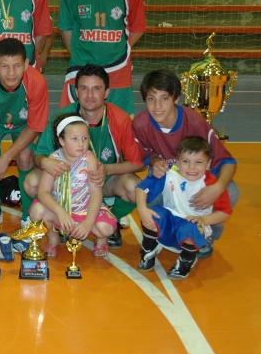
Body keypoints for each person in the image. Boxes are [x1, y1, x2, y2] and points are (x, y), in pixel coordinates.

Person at [25, 64, 143, 247]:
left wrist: (106, 169)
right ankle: (60, 221)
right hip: (68, 183)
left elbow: (137, 162)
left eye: (96, 89)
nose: (90, 95)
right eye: (84, 88)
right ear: (76, 91)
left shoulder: (120, 119)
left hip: (104, 181)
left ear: (107, 92)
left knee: (135, 188)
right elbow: (39, 155)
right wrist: (46, 162)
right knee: (32, 182)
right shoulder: (63, 117)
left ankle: (112, 218)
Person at [132, 69, 238, 257]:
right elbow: (144, 154)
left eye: (164, 98)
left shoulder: (194, 122)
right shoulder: (141, 124)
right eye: (151, 99)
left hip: (197, 181)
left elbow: (228, 161)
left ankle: (205, 237)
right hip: (168, 179)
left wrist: (218, 186)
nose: (157, 106)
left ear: (176, 99)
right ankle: (163, 232)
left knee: (231, 192)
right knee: (144, 194)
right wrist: (155, 161)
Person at [59, 0, 146, 114]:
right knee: (73, 127)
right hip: (81, 70)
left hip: (118, 71)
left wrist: (119, 49)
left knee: (120, 127)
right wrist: (80, 54)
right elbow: (66, 28)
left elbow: (138, 27)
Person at [0, 39, 48, 226]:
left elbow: (35, 126)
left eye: (17, 66)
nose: (11, 73)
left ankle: (28, 215)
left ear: (26, 65)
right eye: (5, 66)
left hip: (23, 124)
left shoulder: (36, 82)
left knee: (25, 155)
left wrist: (6, 157)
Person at [136, 137, 232, 279]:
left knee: (189, 227)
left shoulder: (212, 184)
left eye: (198, 162)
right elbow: (142, 188)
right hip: (170, 221)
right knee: (153, 214)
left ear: (208, 164)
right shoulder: (169, 175)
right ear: (177, 161)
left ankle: (186, 260)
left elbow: (225, 213)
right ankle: (148, 251)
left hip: (193, 226)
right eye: (185, 161)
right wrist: (142, 209)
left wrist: (203, 219)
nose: (191, 168)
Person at [29, 114, 117, 258]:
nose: (81, 144)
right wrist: (60, 212)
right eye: (75, 139)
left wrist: (88, 223)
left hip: (84, 210)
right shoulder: (54, 160)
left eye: (85, 138)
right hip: (61, 212)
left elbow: (96, 193)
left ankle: (101, 240)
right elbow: (43, 192)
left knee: (106, 228)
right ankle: (53, 238)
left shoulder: (89, 158)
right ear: (62, 140)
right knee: (37, 211)